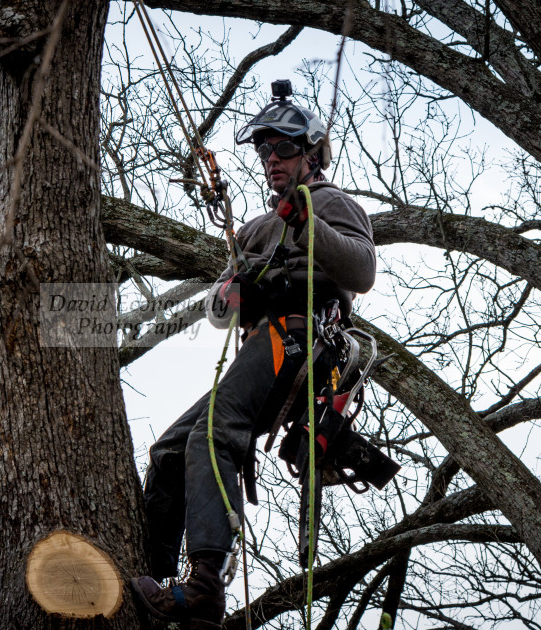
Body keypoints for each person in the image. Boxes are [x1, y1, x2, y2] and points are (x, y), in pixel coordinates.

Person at [130, 82, 376, 629]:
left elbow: (362, 271)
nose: (271, 160)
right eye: (264, 151)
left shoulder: (331, 203)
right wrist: (232, 292)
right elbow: (221, 310)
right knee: (169, 451)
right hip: (261, 347)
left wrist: (307, 223)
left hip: (301, 341)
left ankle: (204, 589)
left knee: (213, 433)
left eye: (283, 149)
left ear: (312, 153)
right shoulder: (256, 229)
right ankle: (158, 591)